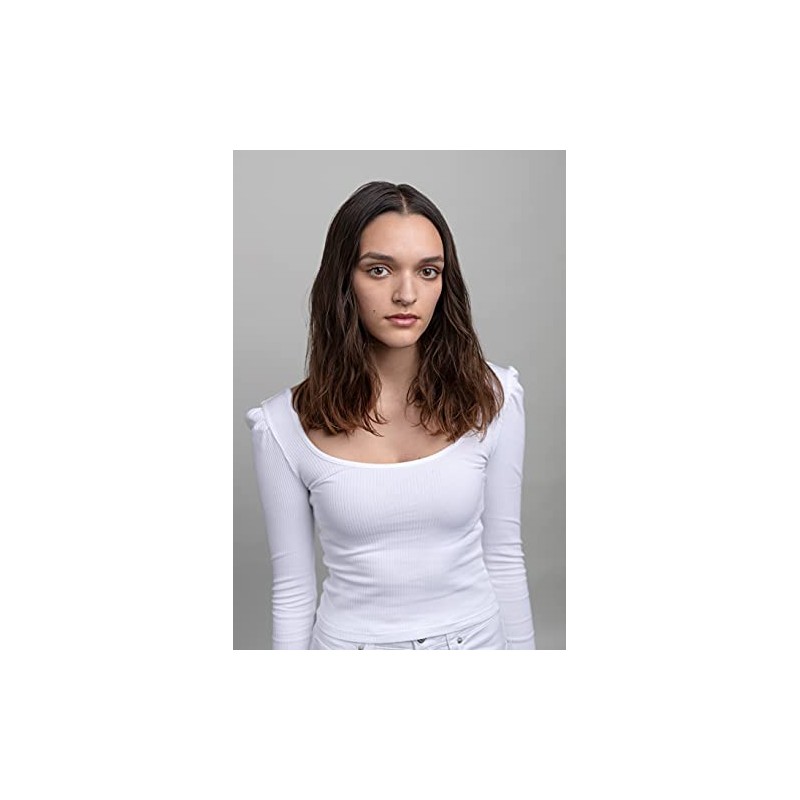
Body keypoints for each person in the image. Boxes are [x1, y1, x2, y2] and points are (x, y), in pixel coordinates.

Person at [245, 180, 536, 650]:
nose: (406, 294)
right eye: (379, 270)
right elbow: (294, 592)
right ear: (344, 279)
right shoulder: (281, 425)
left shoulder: (495, 396)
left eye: (428, 271)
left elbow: (503, 558)